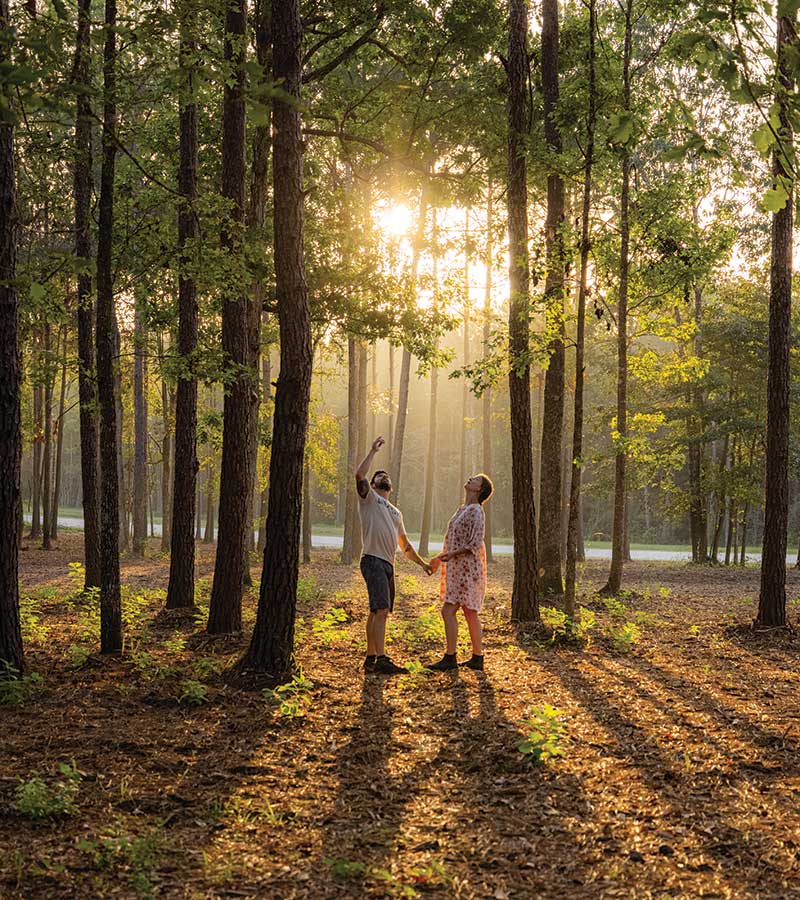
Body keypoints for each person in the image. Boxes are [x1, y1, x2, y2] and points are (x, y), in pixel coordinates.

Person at [356, 436, 432, 675]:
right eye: (379, 476)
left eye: (386, 476)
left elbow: (406, 545)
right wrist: (372, 451)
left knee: (378, 611)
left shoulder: (396, 512)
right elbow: (359, 476)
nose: (383, 476)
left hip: (388, 564)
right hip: (372, 559)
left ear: (391, 486)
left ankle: (370, 657)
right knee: (380, 610)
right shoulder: (369, 499)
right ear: (375, 485)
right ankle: (382, 659)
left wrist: (422, 564)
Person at [426, 473, 493, 672]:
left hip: (467, 569)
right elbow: (453, 539)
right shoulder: (462, 509)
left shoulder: (476, 511)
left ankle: (451, 657)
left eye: (475, 480)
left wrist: (450, 555)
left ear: (478, 490)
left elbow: (474, 543)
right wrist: (441, 558)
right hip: (457, 568)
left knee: (452, 611)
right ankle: (476, 658)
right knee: (468, 612)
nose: (470, 479)